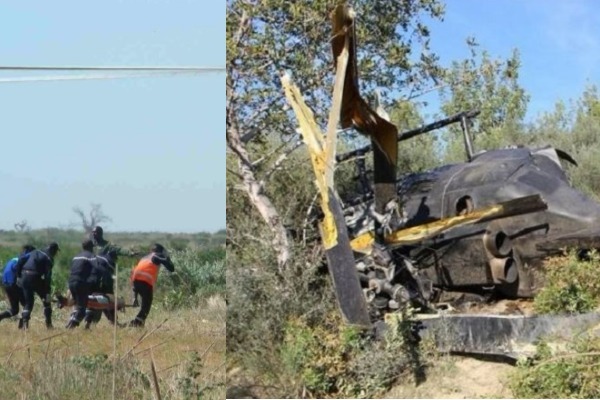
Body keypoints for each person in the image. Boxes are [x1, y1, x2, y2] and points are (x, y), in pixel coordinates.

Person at [16, 242, 60, 329]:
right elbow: (48, 276)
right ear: (53, 250)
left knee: (28, 302)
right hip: (35, 277)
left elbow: (20, 260)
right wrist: (47, 289)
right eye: (56, 252)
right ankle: (49, 324)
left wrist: (18, 276)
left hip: (24, 277)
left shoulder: (34, 252)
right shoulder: (49, 258)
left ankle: (25, 324)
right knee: (46, 300)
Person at [128, 243, 174, 327]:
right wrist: (167, 257)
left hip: (135, 281)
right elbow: (171, 268)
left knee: (144, 304)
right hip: (145, 282)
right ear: (159, 251)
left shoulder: (144, 258)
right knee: (146, 305)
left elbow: (135, 272)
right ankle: (137, 323)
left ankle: (139, 321)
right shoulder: (156, 255)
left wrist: (134, 295)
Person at [83, 247, 118, 328]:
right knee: (106, 299)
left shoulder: (97, 257)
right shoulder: (109, 261)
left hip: (87, 280)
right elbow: (108, 280)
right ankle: (113, 321)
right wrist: (110, 294)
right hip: (97, 281)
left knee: (91, 300)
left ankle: (88, 321)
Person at [65, 239, 96, 329]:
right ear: (91, 247)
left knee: (77, 304)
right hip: (81, 282)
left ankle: (71, 319)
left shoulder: (76, 256)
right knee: (82, 307)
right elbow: (96, 268)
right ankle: (72, 325)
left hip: (71, 282)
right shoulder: (90, 256)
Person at [0, 245, 35, 323]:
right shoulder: (25, 258)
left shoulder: (14, 259)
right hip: (14, 283)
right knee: (27, 304)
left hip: (6, 284)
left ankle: (1, 316)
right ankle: (23, 325)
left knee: (14, 310)